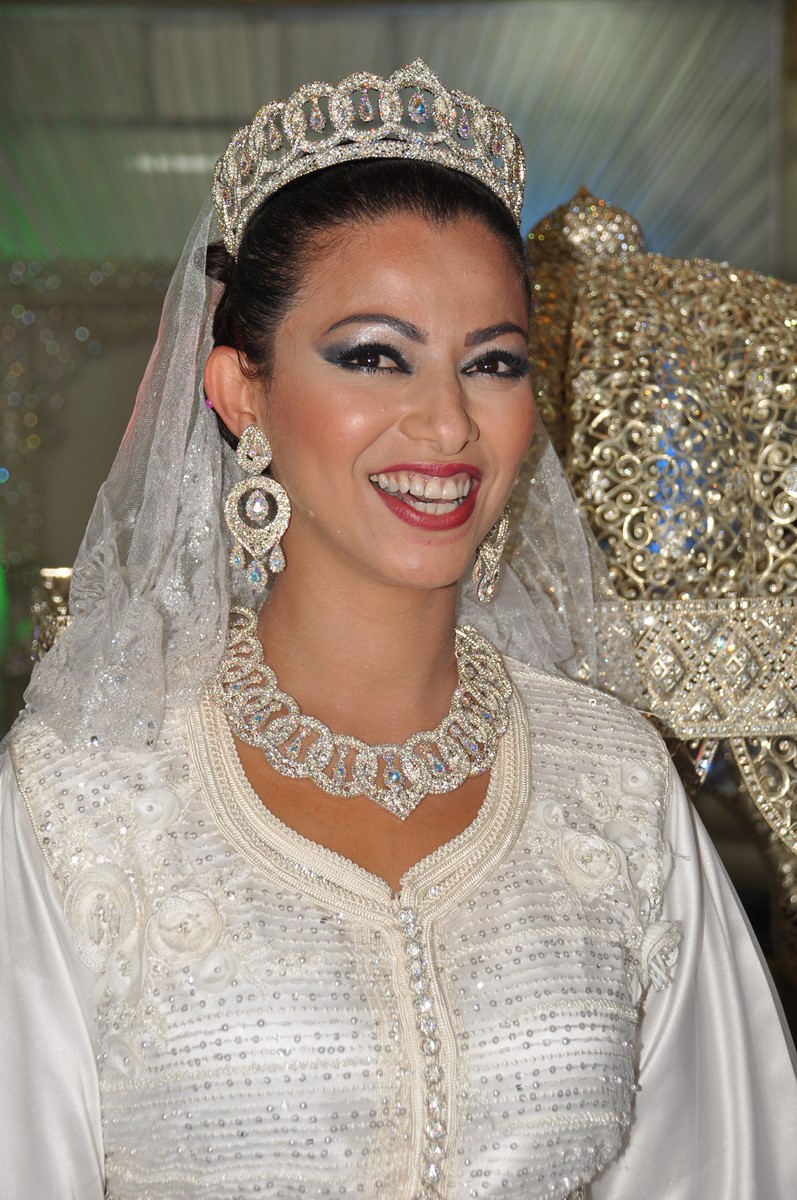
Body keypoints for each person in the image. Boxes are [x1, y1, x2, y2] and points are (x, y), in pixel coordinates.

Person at [0, 60, 795, 1200]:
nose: (446, 422)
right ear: (240, 391)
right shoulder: (83, 798)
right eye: (374, 355)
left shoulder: (615, 784)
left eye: (491, 363)